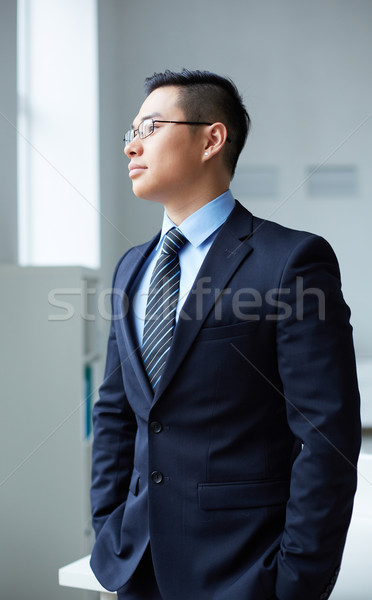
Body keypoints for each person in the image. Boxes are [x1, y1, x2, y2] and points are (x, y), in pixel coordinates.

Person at [90, 69, 361, 600]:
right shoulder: (131, 267)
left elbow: (327, 435)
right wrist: (108, 524)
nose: (131, 147)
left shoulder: (291, 261)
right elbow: (115, 413)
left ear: (212, 139)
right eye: (129, 134)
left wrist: (295, 582)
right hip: (136, 566)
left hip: (244, 571)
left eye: (150, 127)